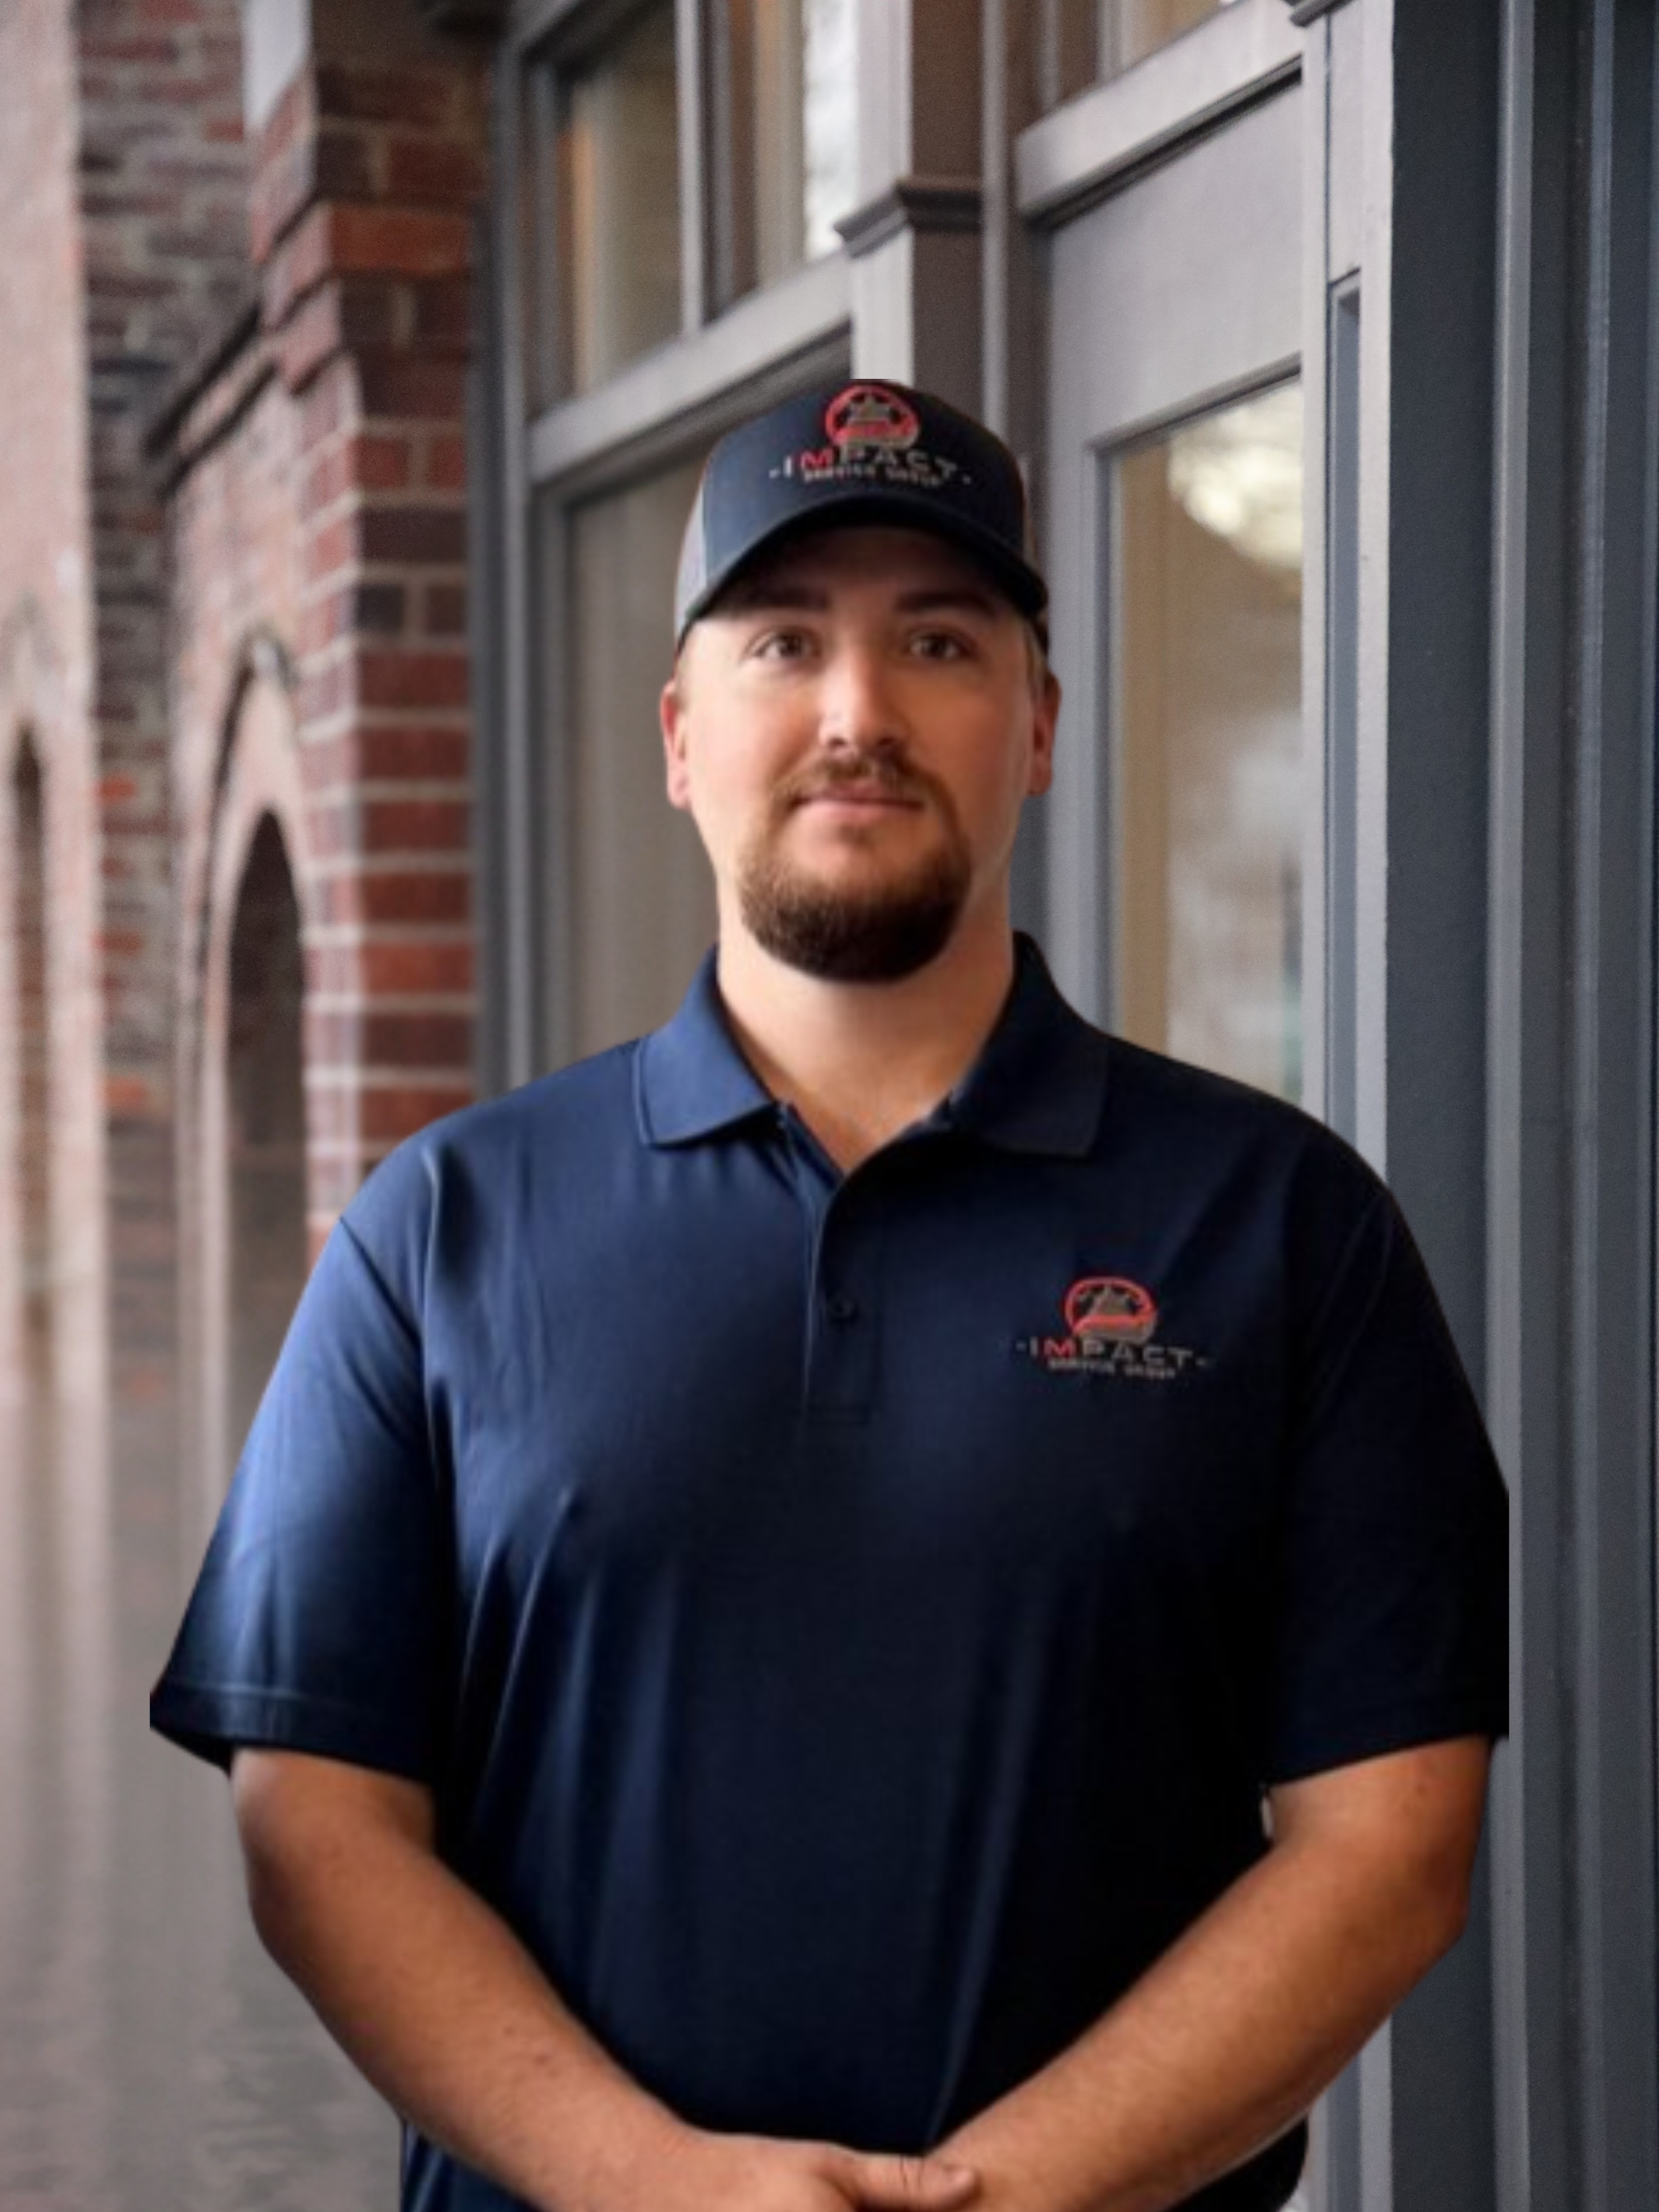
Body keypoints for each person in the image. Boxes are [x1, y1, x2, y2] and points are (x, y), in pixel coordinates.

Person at [151, 379, 1508, 2212]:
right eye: (785, 641)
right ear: (678, 736)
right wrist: (657, 2184)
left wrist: (993, 2194)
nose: (857, 712)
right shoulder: (444, 1229)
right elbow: (317, 1823)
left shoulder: (1281, 1227)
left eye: (936, 641)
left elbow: (1388, 1838)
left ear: (1032, 724)